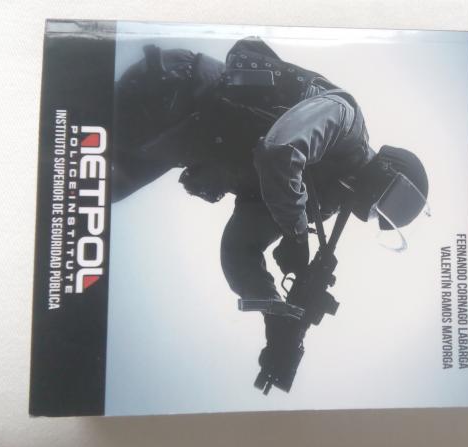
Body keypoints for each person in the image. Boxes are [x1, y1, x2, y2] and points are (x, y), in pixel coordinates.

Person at [112, 37, 430, 393]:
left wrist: (275, 314)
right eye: (385, 204)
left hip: (172, 140)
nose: (370, 212)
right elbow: (280, 150)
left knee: (93, 184)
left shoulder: (320, 202)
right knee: (77, 126)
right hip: (177, 88)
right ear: (387, 170)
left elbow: (239, 249)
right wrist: (296, 233)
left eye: (378, 217)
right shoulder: (345, 120)